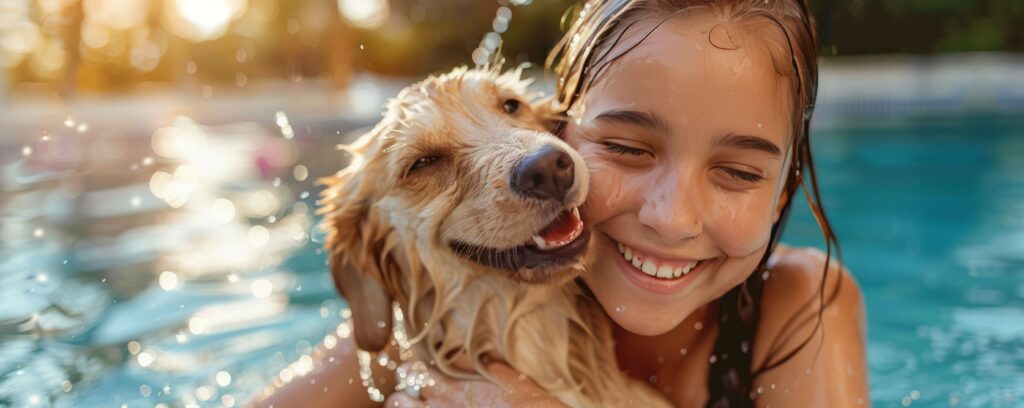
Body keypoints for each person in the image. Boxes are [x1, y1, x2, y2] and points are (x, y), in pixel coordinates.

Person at [247, 1, 868, 407]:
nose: (671, 217)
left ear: (784, 187)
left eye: (736, 171)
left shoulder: (801, 307)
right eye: (625, 147)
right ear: (572, 134)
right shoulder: (400, 354)